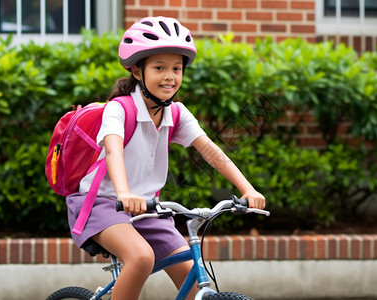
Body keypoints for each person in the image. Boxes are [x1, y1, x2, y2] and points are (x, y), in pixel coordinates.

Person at [66, 16, 266, 300]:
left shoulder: (176, 113)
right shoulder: (119, 110)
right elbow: (113, 151)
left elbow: (211, 151)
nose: (170, 77)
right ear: (137, 71)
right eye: (159, 67)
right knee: (141, 258)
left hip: (149, 210)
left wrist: (247, 189)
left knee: (193, 272)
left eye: (176, 68)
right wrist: (124, 193)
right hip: (103, 204)